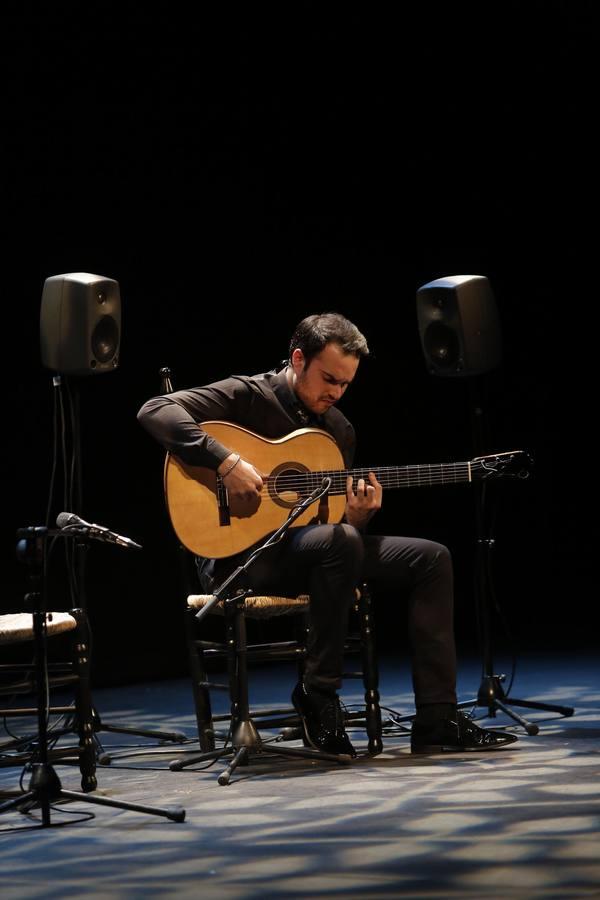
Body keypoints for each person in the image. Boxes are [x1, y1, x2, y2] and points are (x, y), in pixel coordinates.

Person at [137, 312, 518, 757]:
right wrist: (226, 461)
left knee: (430, 558)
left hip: (314, 555)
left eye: (346, 385)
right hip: (240, 558)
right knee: (342, 542)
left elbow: (333, 530)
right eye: (329, 379)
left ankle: (436, 717)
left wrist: (356, 517)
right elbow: (155, 410)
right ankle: (318, 695)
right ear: (298, 358)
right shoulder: (247, 395)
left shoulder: (338, 430)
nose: (335, 393)